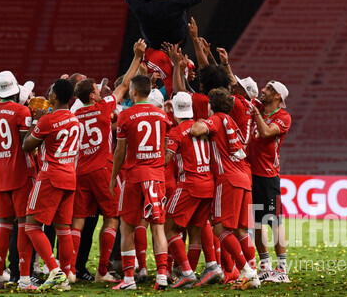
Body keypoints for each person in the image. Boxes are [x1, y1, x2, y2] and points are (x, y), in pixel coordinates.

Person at [97, 0, 250, 97]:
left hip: (155, 47)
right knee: (181, 1)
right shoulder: (176, 1)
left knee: (180, 1)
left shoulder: (140, 5)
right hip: (177, 43)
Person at [72, 39, 146, 283]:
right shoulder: (104, 107)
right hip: (102, 169)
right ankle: (102, 272)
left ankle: (68, 271)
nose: (100, 89)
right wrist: (137, 57)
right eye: (96, 87)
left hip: (81, 170)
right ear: (93, 95)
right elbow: (125, 84)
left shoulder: (76, 114)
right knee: (113, 218)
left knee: (78, 221)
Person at [191, 88, 259, 290]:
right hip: (243, 177)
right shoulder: (231, 121)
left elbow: (196, 130)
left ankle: (246, 270)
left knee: (219, 226)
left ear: (211, 105)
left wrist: (200, 119)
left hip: (227, 178)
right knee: (239, 229)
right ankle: (253, 273)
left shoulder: (217, 119)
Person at [0, 71, 38, 290]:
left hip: (0, 176)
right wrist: (39, 125)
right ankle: (23, 279)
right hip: (22, 174)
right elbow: (27, 144)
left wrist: (2, 152)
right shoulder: (22, 111)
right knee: (23, 226)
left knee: (3, 226)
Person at [110, 75, 171, 291]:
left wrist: (113, 177)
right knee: (158, 227)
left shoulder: (126, 115)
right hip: (156, 176)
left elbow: (120, 151)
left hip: (134, 176)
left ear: (133, 92)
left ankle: (128, 279)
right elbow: (165, 145)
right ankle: (162, 275)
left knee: (127, 226)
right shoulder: (162, 116)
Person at [22, 79, 81, 291]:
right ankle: (67, 274)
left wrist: (35, 122)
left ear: (54, 97)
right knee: (64, 229)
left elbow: (26, 146)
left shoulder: (47, 120)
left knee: (32, 225)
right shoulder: (75, 121)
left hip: (50, 175)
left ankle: (54, 271)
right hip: (69, 177)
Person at [163, 92, 214, 288]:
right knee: (195, 231)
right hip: (208, 184)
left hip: (189, 185)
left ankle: (186, 272)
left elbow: (167, 159)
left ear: (173, 110)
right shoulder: (202, 126)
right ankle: (189, 272)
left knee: (169, 227)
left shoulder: (176, 132)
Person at [248, 81, 292, 283]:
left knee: (274, 222)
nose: (263, 91)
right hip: (251, 175)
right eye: (265, 88)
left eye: (269, 90)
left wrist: (255, 113)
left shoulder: (283, 117)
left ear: (278, 98)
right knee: (256, 223)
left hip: (268, 177)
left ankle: (282, 270)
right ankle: (265, 266)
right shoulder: (258, 108)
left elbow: (265, 133)